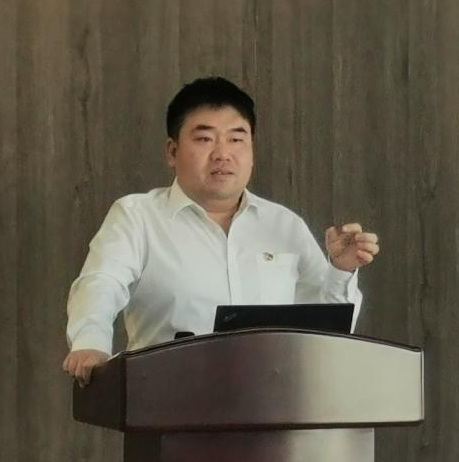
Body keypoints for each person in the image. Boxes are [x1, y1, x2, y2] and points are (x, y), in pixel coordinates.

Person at [61, 76, 380, 385]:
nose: (222, 154)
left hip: (275, 403)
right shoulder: (138, 216)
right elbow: (101, 282)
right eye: (205, 139)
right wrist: (90, 342)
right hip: (168, 400)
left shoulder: (283, 224)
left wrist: (340, 271)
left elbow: (324, 333)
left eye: (236, 139)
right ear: (172, 151)